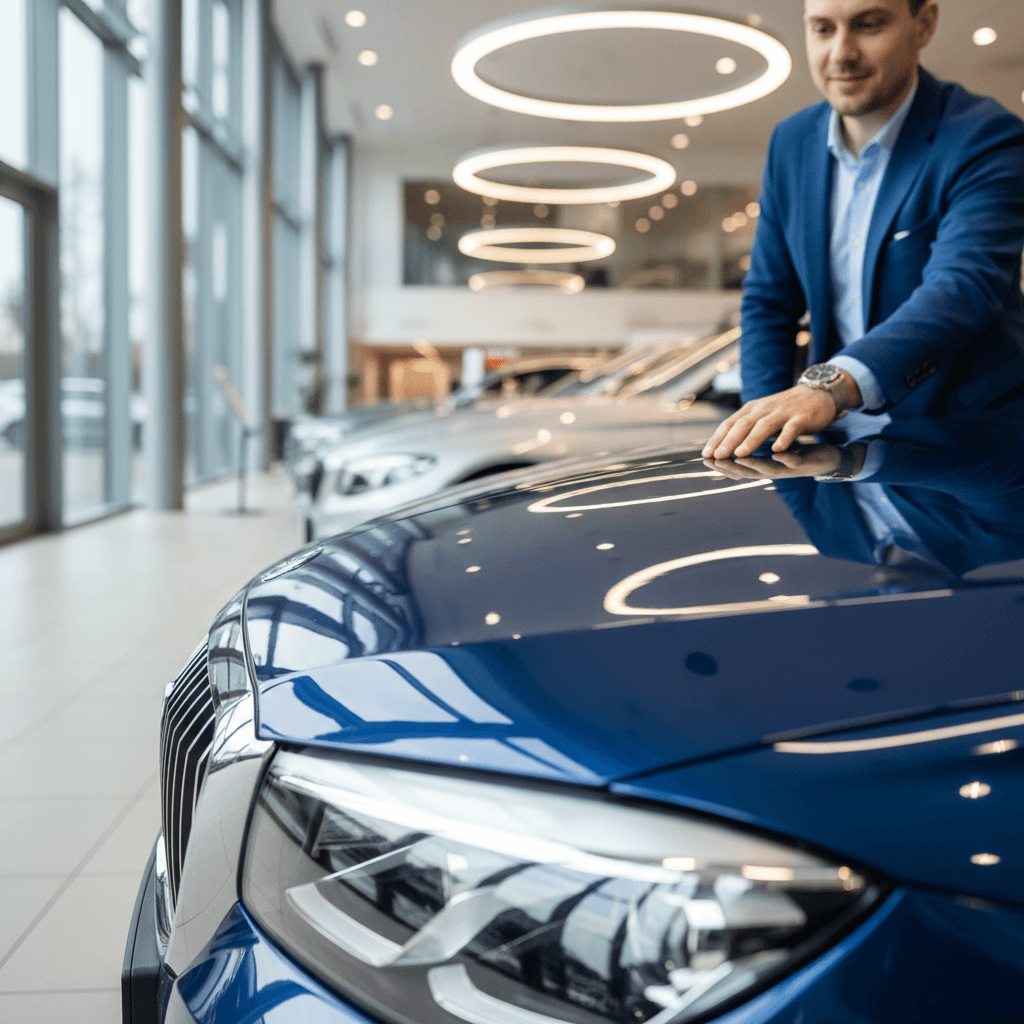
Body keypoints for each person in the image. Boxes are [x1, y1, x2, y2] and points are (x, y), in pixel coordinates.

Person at [703, 0, 1024, 461]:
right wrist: (765, 434)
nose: (840, 53)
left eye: (867, 25)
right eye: (822, 29)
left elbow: (961, 288)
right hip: (838, 455)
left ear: (924, 22)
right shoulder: (791, 143)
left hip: (966, 447)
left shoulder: (986, 137)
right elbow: (769, 302)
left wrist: (830, 388)